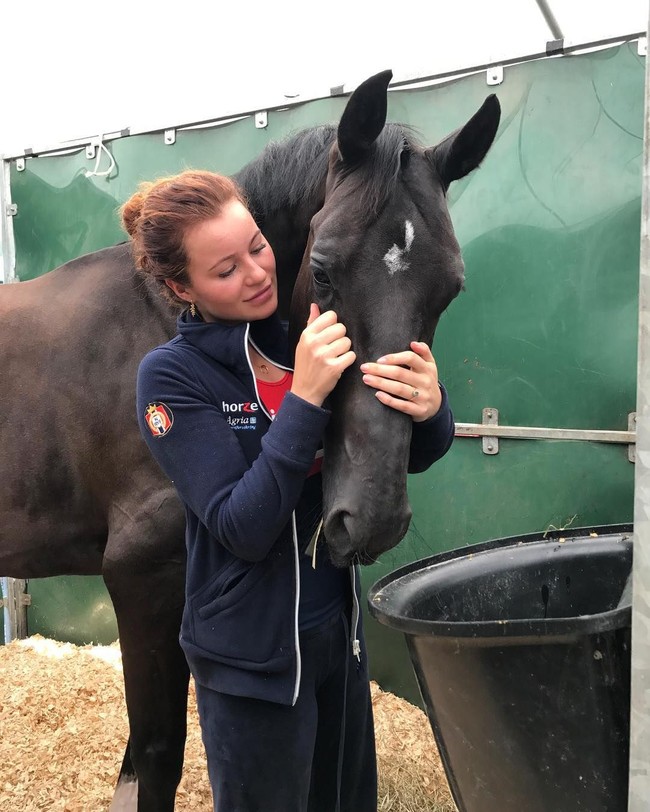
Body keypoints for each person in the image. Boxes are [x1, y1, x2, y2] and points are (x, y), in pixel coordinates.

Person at [124, 169, 455, 812]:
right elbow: (242, 525)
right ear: (179, 286)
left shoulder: (306, 332)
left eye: (256, 245)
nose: (256, 272)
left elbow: (420, 454)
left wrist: (430, 406)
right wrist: (304, 400)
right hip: (252, 666)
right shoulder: (170, 378)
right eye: (225, 270)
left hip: (338, 640)